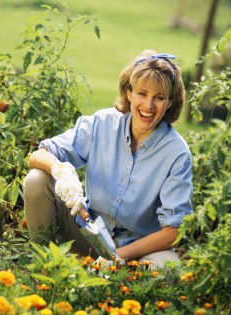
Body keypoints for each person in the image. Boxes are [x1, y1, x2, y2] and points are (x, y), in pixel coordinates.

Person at [23, 49, 193, 267]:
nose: (149, 106)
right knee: (37, 180)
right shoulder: (101, 124)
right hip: (88, 234)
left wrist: (118, 257)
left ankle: (113, 280)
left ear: (169, 102)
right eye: (142, 93)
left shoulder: (176, 154)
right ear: (129, 92)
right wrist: (61, 171)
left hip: (136, 250)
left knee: (167, 268)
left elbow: (173, 232)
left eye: (159, 98)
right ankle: (45, 268)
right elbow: (38, 155)